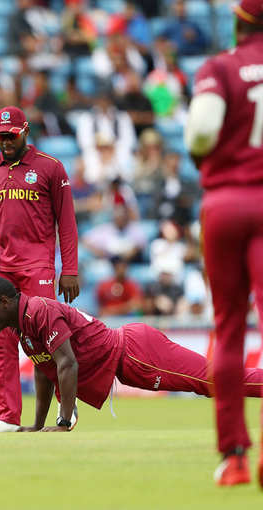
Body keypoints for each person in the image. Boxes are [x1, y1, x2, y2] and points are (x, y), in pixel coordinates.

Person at [0, 277, 263, 435]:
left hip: (137, 354)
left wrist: (63, 422)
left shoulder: (39, 311)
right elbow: (44, 370)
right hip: (130, 357)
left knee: (214, 383)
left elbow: (67, 363)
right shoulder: (20, 325)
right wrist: (37, 425)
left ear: (5, 301)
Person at [184, 0, 263, 487]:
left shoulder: (219, 67)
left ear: (239, 21)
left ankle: (234, 456)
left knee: (229, 329)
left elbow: (201, 134)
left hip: (226, 204)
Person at [0, 106, 79, 433]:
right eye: (0, 136)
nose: (5, 142)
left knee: (47, 340)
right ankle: (7, 417)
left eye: (11, 136)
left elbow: (67, 224)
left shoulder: (50, 168)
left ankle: (65, 407)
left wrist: (68, 267)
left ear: (25, 131)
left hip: (36, 266)